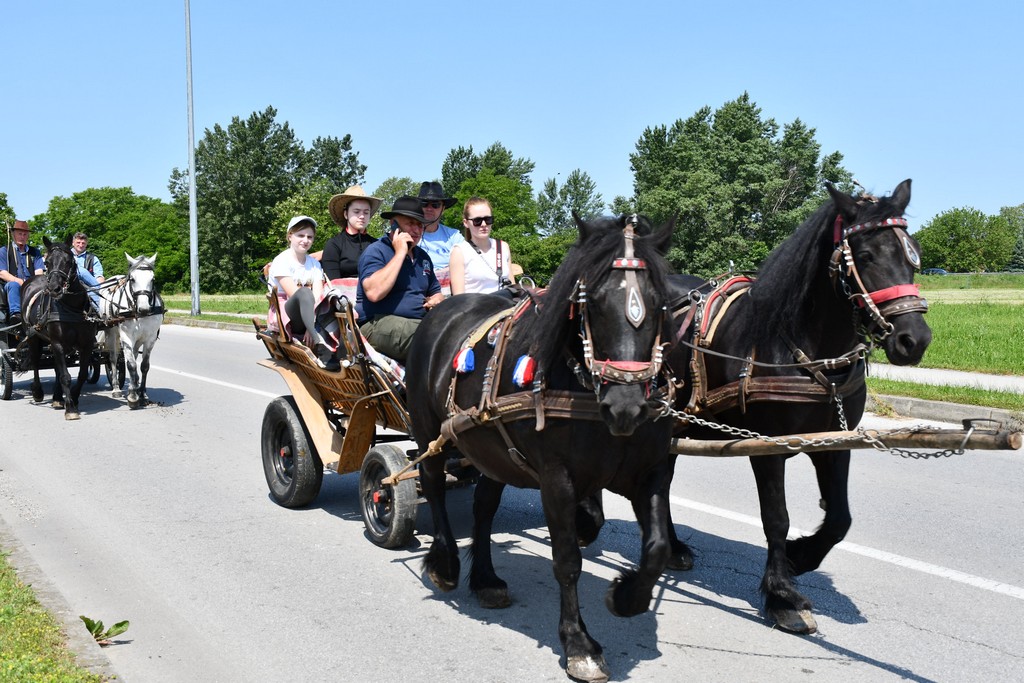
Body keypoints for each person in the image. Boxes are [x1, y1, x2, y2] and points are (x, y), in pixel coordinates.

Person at [357, 196, 443, 362]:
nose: (417, 230)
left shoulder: (423, 257)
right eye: (410, 223)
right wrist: (400, 253)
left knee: (454, 329)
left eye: (420, 225)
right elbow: (374, 293)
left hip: (416, 322)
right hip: (376, 323)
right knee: (431, 335)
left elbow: (436, 292)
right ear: (393, 225)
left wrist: (436, 300)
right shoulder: (376, 251)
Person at [267, 215, 340, 371]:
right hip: (287, 310)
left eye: (309, 237)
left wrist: (310, 325)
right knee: (304, 292)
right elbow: (294, 294)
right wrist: (311, 326)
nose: (305, 240)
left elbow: (318, 296)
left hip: (311, 312)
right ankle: (320, 345)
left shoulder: (313, 264)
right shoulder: (282, 261)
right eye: (300, 235)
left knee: (335, 300)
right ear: (290, 236)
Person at [449, 197, 515, 297]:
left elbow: (513, 286)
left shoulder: (503, 247)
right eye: (477, 221)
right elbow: (459, 298)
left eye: (488, 219)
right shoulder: (459, 252)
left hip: (506, 307)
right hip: (476, 309)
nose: (484, 224)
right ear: (466, 223)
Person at [320, 185, 382, 281]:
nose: (362, 216)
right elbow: (333, 282)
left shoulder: (377, 245)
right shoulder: (334, 244)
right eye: (356, 212)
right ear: (346, 214)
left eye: (366, 212)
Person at [415, 181, 464, 295]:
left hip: (449, 298)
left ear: (443, 208)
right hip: (416, 297)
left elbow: (468, 264)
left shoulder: (454, 236)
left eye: (435, 205)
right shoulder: (408, 233)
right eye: (424, 203)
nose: (429, 208)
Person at [0, 220, 44, 325]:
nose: (22, 236)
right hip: (11, 285)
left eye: (25, 234)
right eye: (20, 234)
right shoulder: (4, 250)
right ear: (13, 234)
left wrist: (32, 284)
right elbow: (2, 273)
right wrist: (19, 281)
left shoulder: (35, 252)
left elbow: (39, 272)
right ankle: (16, 315)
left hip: (32, 285)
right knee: (13, 285)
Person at [71, 231, 104, 311]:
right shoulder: (65, 255)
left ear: (86, 244)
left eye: (83, 243)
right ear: (73, 243)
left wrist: (101, 288)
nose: (81, 245)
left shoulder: (93, 258)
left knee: (94, 292)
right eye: (78, 242)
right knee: (80, 270)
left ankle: (101, 315)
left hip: (87, 288)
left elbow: (99, 276)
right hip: (69, 285)